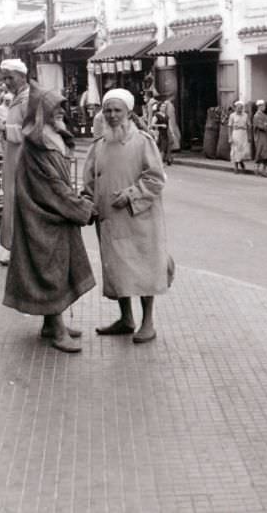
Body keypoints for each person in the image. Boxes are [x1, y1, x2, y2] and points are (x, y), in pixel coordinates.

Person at [3, 82, 95, 353]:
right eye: (55, 108)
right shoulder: (37, 144)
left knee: (58, 268)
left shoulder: (51, 136)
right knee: (50, 271)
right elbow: (52, 187)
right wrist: (83, 209)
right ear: (42, 110)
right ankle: (57, 329)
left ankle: (50, 324)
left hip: (54, 215)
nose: (61, 112)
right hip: (42, 217)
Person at [83, 88, 169, 344]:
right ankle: (126, 319)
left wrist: (131, 194)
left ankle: (147, 323)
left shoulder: (143, 141)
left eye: (117, 110)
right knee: (118, 270)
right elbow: (89, 180)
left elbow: (156, 178)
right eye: (107, 110)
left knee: (143, 268)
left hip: (139, 219)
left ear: (128, 113)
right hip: (109, 220)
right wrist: (88, 202)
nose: (111, 115)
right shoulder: (98, 145)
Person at [0, 59, 30, 265]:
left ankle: (20, 252)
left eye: (10, 77)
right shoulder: (16, 99)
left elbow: (30, 131)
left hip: (24, 161)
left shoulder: (28, 100)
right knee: (12, 203)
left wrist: (5, 130)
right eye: (4, 78)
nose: (7, 82)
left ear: (22, 77)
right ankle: (14, 248)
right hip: (13, 160)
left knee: (20, 204)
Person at [252, 99, 267, 177]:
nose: (264, 107)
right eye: (263, 106)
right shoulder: (256, 116)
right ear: (259, 106)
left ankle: (264, 170)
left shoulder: (265, 115)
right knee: (261, 151)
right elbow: (260, 126)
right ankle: (257, 168)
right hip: (260, 136)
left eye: (264, 105)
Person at [228, 101, 250, 174]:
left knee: (243, 150)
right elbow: (229, 127)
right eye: (238, 108)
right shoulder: (232, 116)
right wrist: (230, 137)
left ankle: (241, 163)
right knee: (235, 150)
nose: (239, 109)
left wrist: (249, 136)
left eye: (241, 108)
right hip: (236, 133)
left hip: (243, 133)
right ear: (235, 108)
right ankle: (236, 167)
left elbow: (249, 126)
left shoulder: (246, 115)